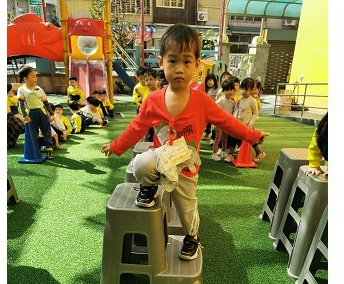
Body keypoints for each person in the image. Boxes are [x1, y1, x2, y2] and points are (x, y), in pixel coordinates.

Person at [100, 24, 269, 260]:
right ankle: (149, 189)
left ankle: (192, 237)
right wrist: (116, 146)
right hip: (161, 161)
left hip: (186, 168)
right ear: (162, 62)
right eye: (173, 61)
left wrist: (253, 136)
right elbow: (136, 127)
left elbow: (229, 123)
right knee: (140, 163)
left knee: (187, 209)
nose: (179, 69)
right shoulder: (153, 100)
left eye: (187, 61)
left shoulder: (202, 101)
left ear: (197, 65)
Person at [16, 66, 55, 158]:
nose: (35, 78)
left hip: (41, 112)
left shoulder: (39, 89)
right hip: (30, 113)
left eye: (36, 76)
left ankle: (49, 149)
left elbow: (46, 103)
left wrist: (51, 114)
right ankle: (36, 150)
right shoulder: (22, 90)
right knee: (33, 133)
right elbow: (21, 104)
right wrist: (24, 115)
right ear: (25, 79)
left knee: (46, 130)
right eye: (33, 76)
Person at [225, 77, 266, 163]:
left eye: (246, 89)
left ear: (251, 90)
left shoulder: (252, 101)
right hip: (238, 125)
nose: (243, 91)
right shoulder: (239, 100)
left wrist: (250, 123)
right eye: (242, 89)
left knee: (251, 139)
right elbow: (236, 111)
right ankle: (230, 154)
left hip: (247, 125)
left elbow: (255, 113)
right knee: (232, 138)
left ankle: (260, 153)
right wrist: (234, 120)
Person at [212, 78, 237, 161]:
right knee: (218, 138)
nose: (229, 92)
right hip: (219, 123)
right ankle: (214, 154)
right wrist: (214, 123)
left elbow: (233, 112)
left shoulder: (233, 101)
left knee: (225, 138)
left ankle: (224, 151)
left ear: (234, 90)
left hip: (227, 123)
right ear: (223, 91)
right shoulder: (219, 101)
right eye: (227, 90)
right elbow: (215, 113)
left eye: (231, 89)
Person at [7, 83, 25, 148]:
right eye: (8, 93)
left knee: (21, 125)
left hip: (12, 114)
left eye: (11, 93)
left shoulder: (13, 98)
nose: (10, 94)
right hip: (9, 115)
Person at [203, 73, 218, 141]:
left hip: (215, 109)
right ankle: (207, 133)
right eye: (207, 81)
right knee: (208, 122)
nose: (208, 82)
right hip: (208, 109)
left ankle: (213, 137)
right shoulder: (208, 90)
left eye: (210, 80)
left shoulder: (218, 90)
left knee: (214, 124)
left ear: (214, 80)